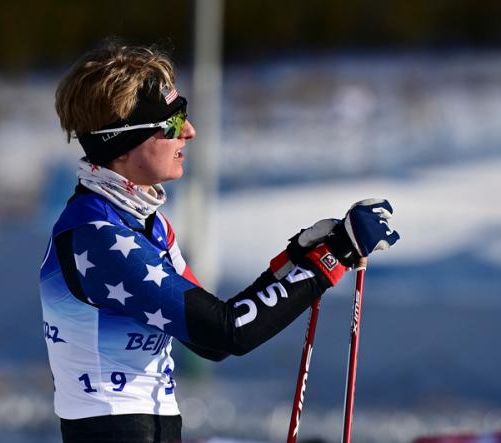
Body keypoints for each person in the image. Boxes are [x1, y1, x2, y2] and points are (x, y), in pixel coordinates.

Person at [39, 41, 400, 443]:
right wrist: (329, 260)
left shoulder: (146, 223)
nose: (189, 132)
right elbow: (227, 333)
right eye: (172, 124)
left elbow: (209, 337)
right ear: (121, 144)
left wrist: (299, 258)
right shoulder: (98, 237)